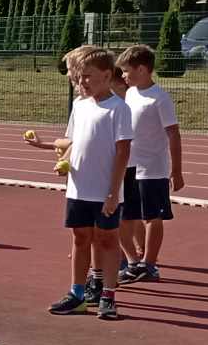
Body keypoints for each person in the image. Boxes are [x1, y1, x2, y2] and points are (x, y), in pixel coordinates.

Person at [27, 47, 131, 319]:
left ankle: (108, 295)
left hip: (105, 191)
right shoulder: (80, 105)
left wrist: (113, 192)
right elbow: (72, 142)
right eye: (80, 76)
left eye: (88, 76)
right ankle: (77, 294)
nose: (82, 81)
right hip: (78, 187)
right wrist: (63, 161)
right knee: (80, 238)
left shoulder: (119, 109)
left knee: (107, 240)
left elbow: (123, 152)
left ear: (106, 76)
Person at [116, 43, 183, 283]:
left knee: (151, 217)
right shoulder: (131, 93)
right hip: (129, 165)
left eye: (126, 71)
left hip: (153, 168)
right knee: (124, 216)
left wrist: (176, 170)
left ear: (142, 69)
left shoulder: (160, 98)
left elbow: (173, 133)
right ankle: (133, 261)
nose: (123, 76)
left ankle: (149, 265)